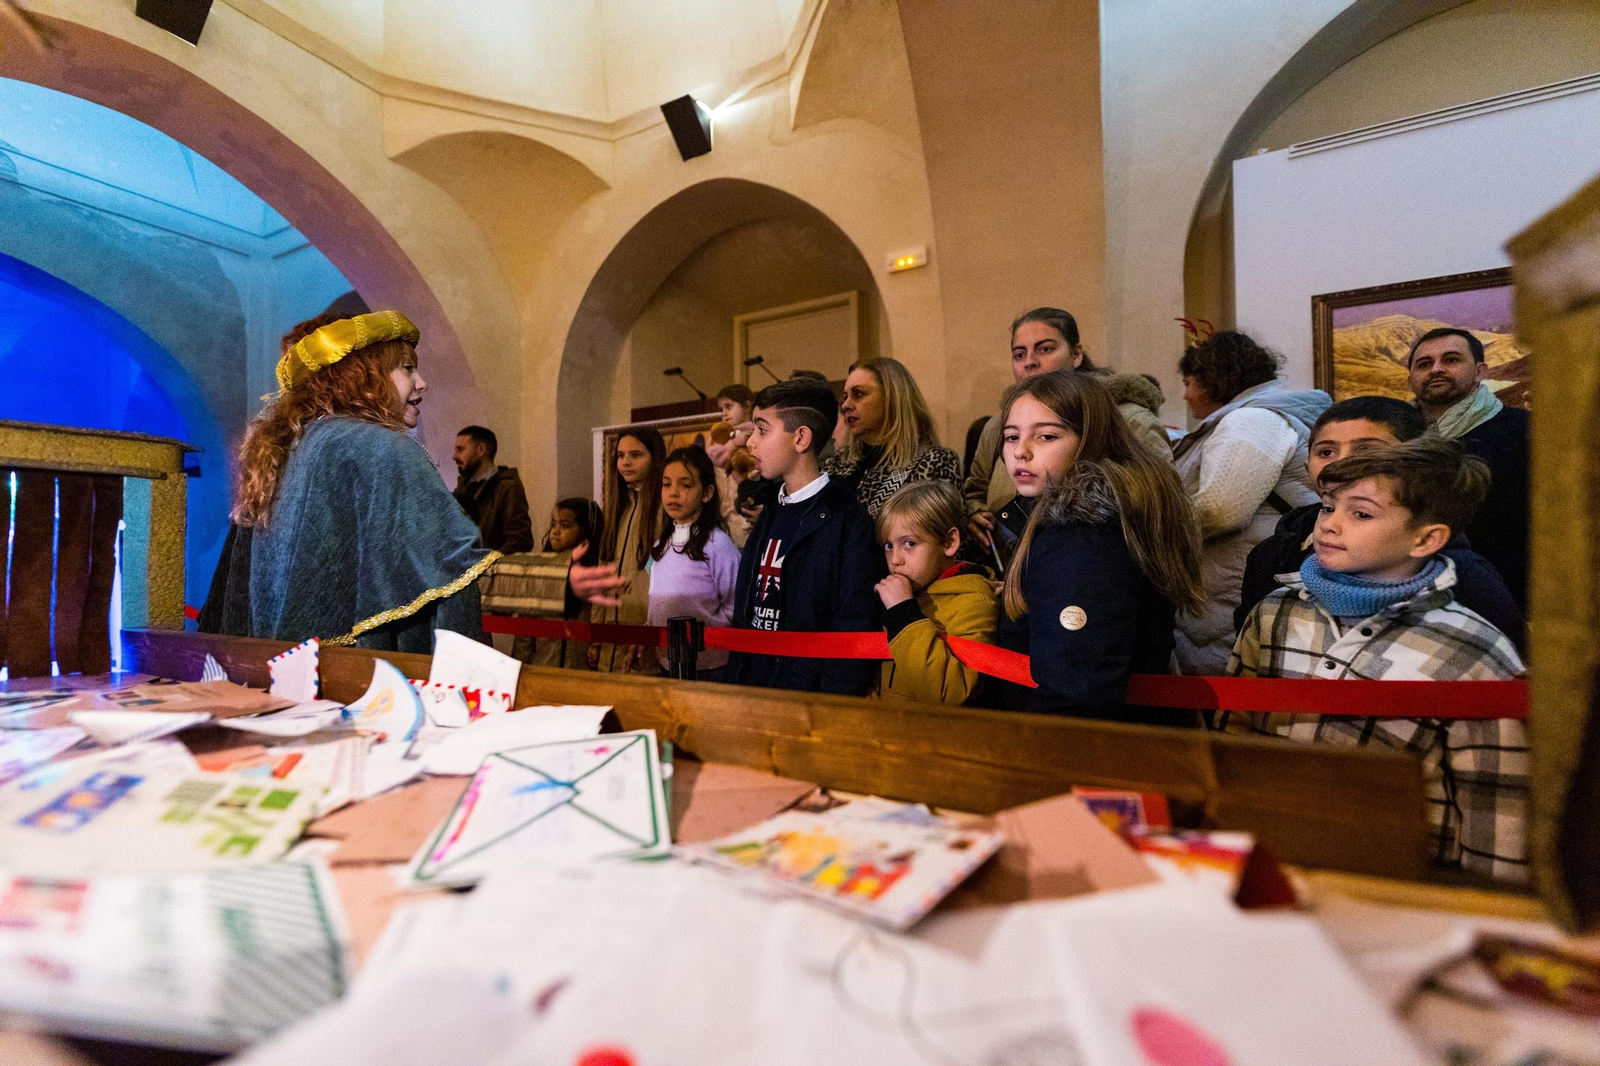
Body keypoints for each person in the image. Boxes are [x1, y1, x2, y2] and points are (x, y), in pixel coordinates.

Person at [207, 311, 623, 652]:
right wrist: (555, 581)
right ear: (364, 376)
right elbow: (451, 570)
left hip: (284, 674)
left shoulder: (283, 449)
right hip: (362, 679)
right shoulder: (379, 449)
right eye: (407, 369)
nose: (421, 383)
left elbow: (236, 588)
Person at [1227, 438, 1527, 883]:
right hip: (1276, 859)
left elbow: (1496, 807)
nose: (1329, 525)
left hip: (1402, 882)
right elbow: (1235, 735)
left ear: (1426, 538)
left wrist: (1490, 907)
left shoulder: (1472, 651)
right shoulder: (1276, 611)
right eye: (1328, 507)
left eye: (1361, 513)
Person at [992, 371, 1206, 721]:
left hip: (1082, 748)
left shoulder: (1083, 534)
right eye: (1011, 436)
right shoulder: (1075, 521)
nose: (1020, 452)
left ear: (1089, 439)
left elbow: (1073, 693)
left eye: (1046, 436)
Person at [1235, 396, 1523, 646]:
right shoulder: (1270, 555)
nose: (1340, 463)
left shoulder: (1465, 574)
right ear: (1307, 466)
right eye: (1326, 452)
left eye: (1368, 450)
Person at [1172, 330, 1330, 674]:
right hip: (1240, 577)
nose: (1185, 394)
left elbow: (1220, 509)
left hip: (1233, 584)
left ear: (1210, 380)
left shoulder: (1250, 420)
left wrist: (1151, 532)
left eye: (1188, 382)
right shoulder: (1266, 414)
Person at [725, 378, 885, 695]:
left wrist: (831, 702)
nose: (750, 443)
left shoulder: (847, 519)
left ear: (801, 438)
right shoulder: (769, 513)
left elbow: (854, 622)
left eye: (762, 429)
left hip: (808, 697)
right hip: (753, 685)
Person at [966, 308, 1172, 553]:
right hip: (1009, 570)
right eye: (1019, 354)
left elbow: (1165, 512)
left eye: (1045, 349)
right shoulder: (997, 427)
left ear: (1076, 355)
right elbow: (975, 490)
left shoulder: (1129, 421)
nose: (1030, 361)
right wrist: (976, 512)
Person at [1408, 327, 1530, 611]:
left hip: (1508, 599)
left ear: (1480, 371)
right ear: (1410, 379)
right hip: (1413, 599)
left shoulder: (1527, 431)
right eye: (1424, 364)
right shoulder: (1399, 439)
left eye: (1451, 359)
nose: (1436, 369)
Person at [875, 481, 999, 705]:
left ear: (950, 542)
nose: (895, 560)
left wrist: (904, 614)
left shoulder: (975, 602)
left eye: (909, 543)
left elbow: (950, 692)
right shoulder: (899, 594)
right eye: (888, 546)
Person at [824, 356, 960, 517]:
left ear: (892, 397)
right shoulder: (836, 464)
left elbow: (940, 537)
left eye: (858, 394)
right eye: (845, 397)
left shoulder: (933, 462)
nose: (846, 405)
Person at [646, 447, 740, 680]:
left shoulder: (717, 544)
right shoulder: (662, 542)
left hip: (708, 666)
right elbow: (656, 600)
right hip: (667, 660)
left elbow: (735, 606)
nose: (673, 493)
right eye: (667, 485)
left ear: (706, 493)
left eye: (685, 485)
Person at [590, 426, 666, 672]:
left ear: (654, 459)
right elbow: (604, 570)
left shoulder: (664, 511)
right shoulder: (617, 508)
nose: (625, 462)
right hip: (611, 630)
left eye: (636, 455)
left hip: (644, 632)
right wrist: (596, 631)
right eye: (621, 456)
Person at [510, 497, 604, 670]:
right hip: (543, 667)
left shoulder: (594, 574)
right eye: (553, 524)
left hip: (581, 673)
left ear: (584, 531)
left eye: (565, 525)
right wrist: (521, 669)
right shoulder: (542, 572)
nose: (555, 531)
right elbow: (525, 632)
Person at [451, 425, 534, 554]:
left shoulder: (507, 488)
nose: (454, 456)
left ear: (481, 450)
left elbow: (520, 540)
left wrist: (485, 563)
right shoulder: (464, 487)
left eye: (460, 449)